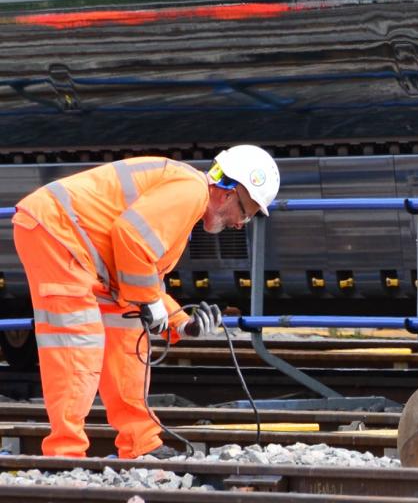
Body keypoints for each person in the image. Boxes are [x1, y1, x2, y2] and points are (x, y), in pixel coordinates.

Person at [11, 145, 279, 458]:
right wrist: (149, 301)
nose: (240, 224)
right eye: (245, 213)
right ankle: (65, 454)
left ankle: (140, 443)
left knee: (128, 339)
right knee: (78, 343)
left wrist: (182, 323)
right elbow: (132, 237)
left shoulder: (185, 200)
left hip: (81, 246)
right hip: (58, 233)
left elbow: (142, 274)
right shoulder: (191, 191)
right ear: (228, 193)